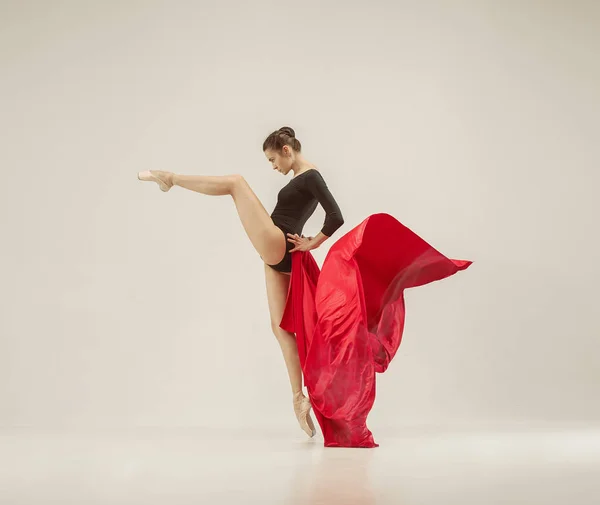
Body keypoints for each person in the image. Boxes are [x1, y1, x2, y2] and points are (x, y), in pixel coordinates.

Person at [137, 126, 342, 438]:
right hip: (278, 252)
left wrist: (312, 243)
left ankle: (171, 178)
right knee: (281, 328)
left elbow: (336, 216)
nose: (274, 166)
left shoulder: (311, 176)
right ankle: (298, 398)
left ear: (287, 151)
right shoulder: (301, 179)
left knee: (235, 183)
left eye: (273, 159)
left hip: (279, 243)